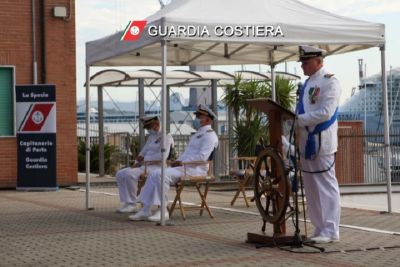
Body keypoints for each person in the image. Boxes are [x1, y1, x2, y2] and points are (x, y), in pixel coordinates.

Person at [129, 104, 219, 221]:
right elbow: (187, 153)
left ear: (207, 119)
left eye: (199, 116)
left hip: (195, 169)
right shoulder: (197, 134)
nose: (196, 119)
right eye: (197, 116)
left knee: (161, 175)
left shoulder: (210, 136)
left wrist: (182, 162)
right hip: (185, 167)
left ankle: (163, 211)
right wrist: (178, 161)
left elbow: (202, 157)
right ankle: (146, 209)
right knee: (155, 173)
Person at [296, 45, 342, 244]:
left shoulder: (330, 82)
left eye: (305, 63)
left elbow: (326, 113)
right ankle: (319, 226)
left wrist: (298, 119)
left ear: (319, 62)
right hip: (305, 141)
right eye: (302, 63)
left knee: (325, 185)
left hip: (321, 140)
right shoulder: (307, 84)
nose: (302, 67)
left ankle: (331, 229)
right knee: (311, 187)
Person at [115, 116, 174, 213]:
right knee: (120, 174)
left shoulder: (166, 136)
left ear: (157, 124)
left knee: (130, 175)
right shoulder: (151, 137)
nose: (149, 129)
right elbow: (144, 152)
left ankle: (132, 203)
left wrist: (144, 160)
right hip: (145, 165)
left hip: (157, 166)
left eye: (150, 127)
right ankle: (127, 202)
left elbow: (163, 156)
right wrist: (137, 162)